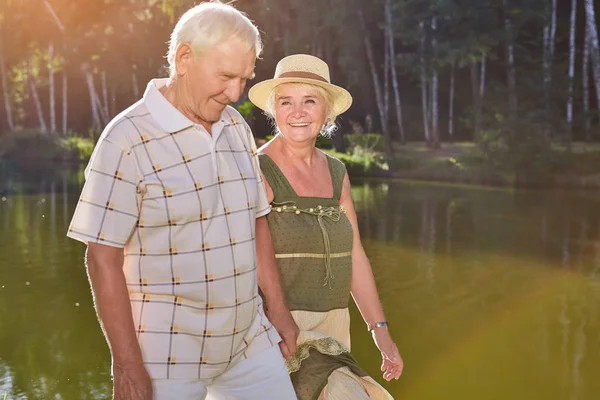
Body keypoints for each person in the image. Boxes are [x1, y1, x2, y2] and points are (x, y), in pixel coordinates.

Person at [66, 2, 298, 399]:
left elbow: (256, 219)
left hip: (247, 340)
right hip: (166, 352)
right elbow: (102, 257)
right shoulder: (126, 139)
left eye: (244, 78)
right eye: (225, 76)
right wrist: (126, 365)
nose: (235, 93)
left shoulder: (236, 126)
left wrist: (277, 309)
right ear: (184, 57)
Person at [248, 54, 403, 400]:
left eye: (309, 101)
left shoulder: (338, 174)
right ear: (274, 110)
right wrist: (278, 313)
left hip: (334, 331)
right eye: (286, 102)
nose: (297, 112)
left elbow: (355, 256)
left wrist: (380, 331)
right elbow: (245, 255)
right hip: (281, 330)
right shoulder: (256, 171)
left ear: (327, 111)